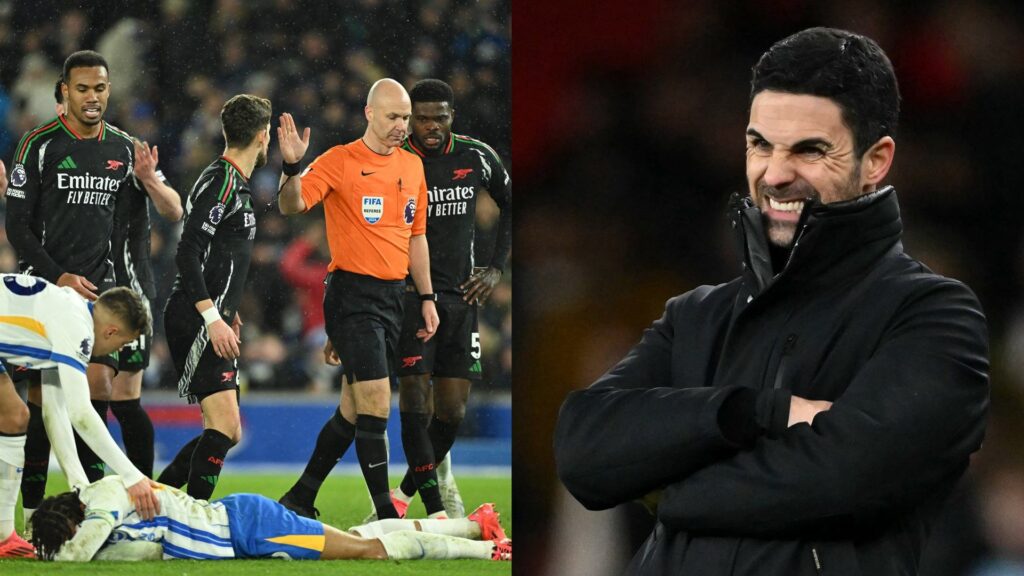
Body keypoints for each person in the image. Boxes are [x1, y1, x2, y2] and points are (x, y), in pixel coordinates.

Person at [553, 27, 989, 576]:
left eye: (809, 150)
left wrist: (667, 489)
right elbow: (582, 449)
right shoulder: (697, 315)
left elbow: (839, 480)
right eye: (760, 144)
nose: (775, 174)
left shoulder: (934, 317)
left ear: (875, 161)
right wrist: (757, 411)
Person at [4, 50, 158, 527]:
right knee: (39, 407)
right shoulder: (39, 144)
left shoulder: (124, 148)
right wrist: (57, 275)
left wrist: (134, 285)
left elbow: (137, 225)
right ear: (65, 92)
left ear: (109, 90)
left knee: (96, 387)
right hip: (43, 293)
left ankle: (94, 506)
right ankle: (32, 512)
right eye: (83, 89)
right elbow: (17, 226)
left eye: (100, 88)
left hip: (99, 293)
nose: (93, 98)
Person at [275, 78, 439, 521]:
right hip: (353, 295)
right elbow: (290, 206)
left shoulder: (412, 166)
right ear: (369, 113)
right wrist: (292, 168)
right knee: (376, 402)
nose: (400, 126)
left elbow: (417, 236)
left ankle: (299, 497)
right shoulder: (340, 160)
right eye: (392, 117)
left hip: (394, 298)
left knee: (351, 411)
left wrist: (426, 296)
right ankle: (386, 515)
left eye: (405, 118)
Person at [372, 78, 512, 520]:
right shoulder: (395, 157)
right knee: (415, 399)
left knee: (452, 410)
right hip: (409, 297)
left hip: (460, 297)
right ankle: (422, 504)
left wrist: (495, 267)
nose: (430, 126)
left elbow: (511, 202)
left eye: (440, 118)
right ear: (410, 117)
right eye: (422, 117)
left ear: (453, 116)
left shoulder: (475, 155)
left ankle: (414, 485)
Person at [53, 74, 185, 482]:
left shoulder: (129, 153)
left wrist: (148, 178)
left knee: (124, 398)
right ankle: (100, 488)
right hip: (88, 288)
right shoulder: (57, 155)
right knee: (94, 392)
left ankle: (141, 487)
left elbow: (174, 210)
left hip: (130, 292)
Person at [155, 94, 269, 500]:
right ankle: (194, 516)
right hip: (196, 316)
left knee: (229, 430)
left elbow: (221, 256)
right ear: (263, 135)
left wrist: (226, 309)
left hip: (212, 313)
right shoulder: (221, 181)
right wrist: (211, 316)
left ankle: (160, 499)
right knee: (222, 426)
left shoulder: (230, 181)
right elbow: (187, 251)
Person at [0, 275, 161, 558]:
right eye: (123, 344)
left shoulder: (72, 310)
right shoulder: (78, 329)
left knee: (15, 416)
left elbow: (56, 410)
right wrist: (132, 476)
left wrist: (79, 486)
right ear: (111, 331)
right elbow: (81, 413)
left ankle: (4, 537)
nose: (119, 353)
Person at [28, 475, 511, 562]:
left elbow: (81, 554)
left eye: (66, 533)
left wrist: (50, 555)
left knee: (367, 550)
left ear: (73, 519)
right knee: (361, 535)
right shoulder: (111, 503)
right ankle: (474, 525)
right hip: (241, 524)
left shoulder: (105, 500)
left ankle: (487, 550)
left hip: (249, 527)